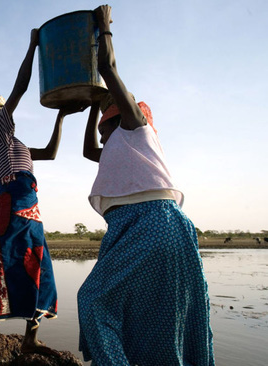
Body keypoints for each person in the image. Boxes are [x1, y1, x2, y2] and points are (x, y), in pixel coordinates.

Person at [78, 5, 215, 365]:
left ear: (121, 116)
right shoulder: (114, 148)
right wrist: (93, 102)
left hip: (153, 221)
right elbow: (87, 149)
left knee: (93, 301)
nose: (101, 127)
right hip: (143, 228)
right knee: (152, 319)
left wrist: (103, 29)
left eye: (106, 114)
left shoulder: (136, 129)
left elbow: (108, 69)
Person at [0, 28, 81, 365]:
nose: (11, 114)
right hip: (11, 211)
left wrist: (61, 116)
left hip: (31, 212)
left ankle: (29, 342)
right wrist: (34, 45)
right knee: (1, 278)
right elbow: (20, 87)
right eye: (5, 112)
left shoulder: (16, 145)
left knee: (40, 274)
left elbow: (49, 152)